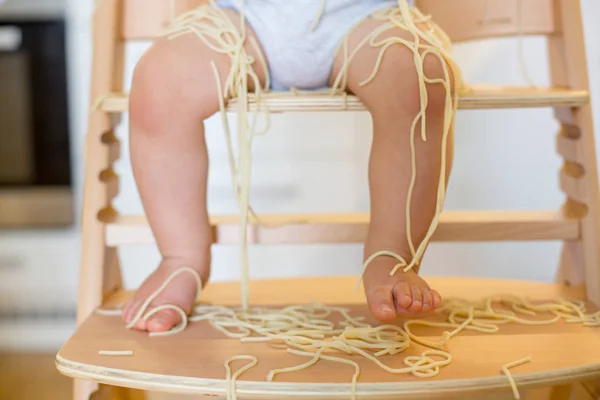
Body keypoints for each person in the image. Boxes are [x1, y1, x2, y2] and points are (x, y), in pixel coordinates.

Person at [122, 0, 456, 333]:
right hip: (245, 20)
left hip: (365, 19)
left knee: (419, 77)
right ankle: (181, 257)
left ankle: (393, 255)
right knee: (159, 81)